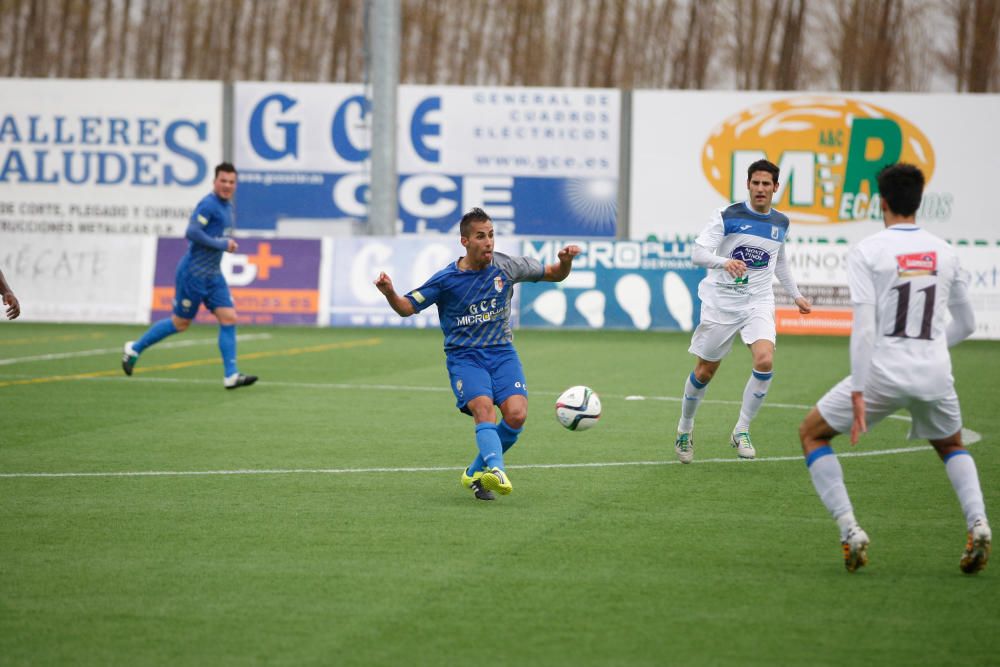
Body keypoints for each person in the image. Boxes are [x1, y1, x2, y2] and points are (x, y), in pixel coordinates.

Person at [799, 163, 989, 574]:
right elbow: (969, 325)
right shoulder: (946, 252)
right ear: (919, 202)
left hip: (883, 371)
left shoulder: (869, 251)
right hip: (935, 372)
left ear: (881, 202)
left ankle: (850, 530)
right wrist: (932, 349)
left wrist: (858, 390)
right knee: (951, 445)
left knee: (812, 434)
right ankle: (978, 523)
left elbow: (865, 330)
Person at [375, 207, 581, 501]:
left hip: (502, 353)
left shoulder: (505, 267)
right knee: (483, 408)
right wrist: (389, 293)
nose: (489, 242)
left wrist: (565, 262)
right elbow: (407, 307)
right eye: (481, 236)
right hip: (465, 358)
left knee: (517, 416)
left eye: (492, 235)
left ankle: (474, 473)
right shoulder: (446, 280)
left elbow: (555, 275)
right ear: (465, 241)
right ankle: (496, 470)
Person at [673, 159, 811, 463]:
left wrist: (796, 295)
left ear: (776, 187)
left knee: (764, 360)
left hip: (758, 301)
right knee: (705, 371)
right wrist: (725, 262)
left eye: (766, 184)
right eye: (755, 183)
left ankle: (742, 429)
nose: (760, 189)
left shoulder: (780, 223)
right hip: (722, 302)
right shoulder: (727, 216)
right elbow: (698, 253)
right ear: (748, 185)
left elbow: (780, 261)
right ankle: (685, 428)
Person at [121, 162, 257, 389]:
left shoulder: (227, 207)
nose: (227, 185)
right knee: (180, 323)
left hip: (213, 275)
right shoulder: (208, 204)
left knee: (229, 318)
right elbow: (192, 232)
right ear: (214, 182)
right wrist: (222, 244)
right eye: (223, 181)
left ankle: (231, 375)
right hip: (193, 274)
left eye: (231, 182)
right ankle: (134, 348)